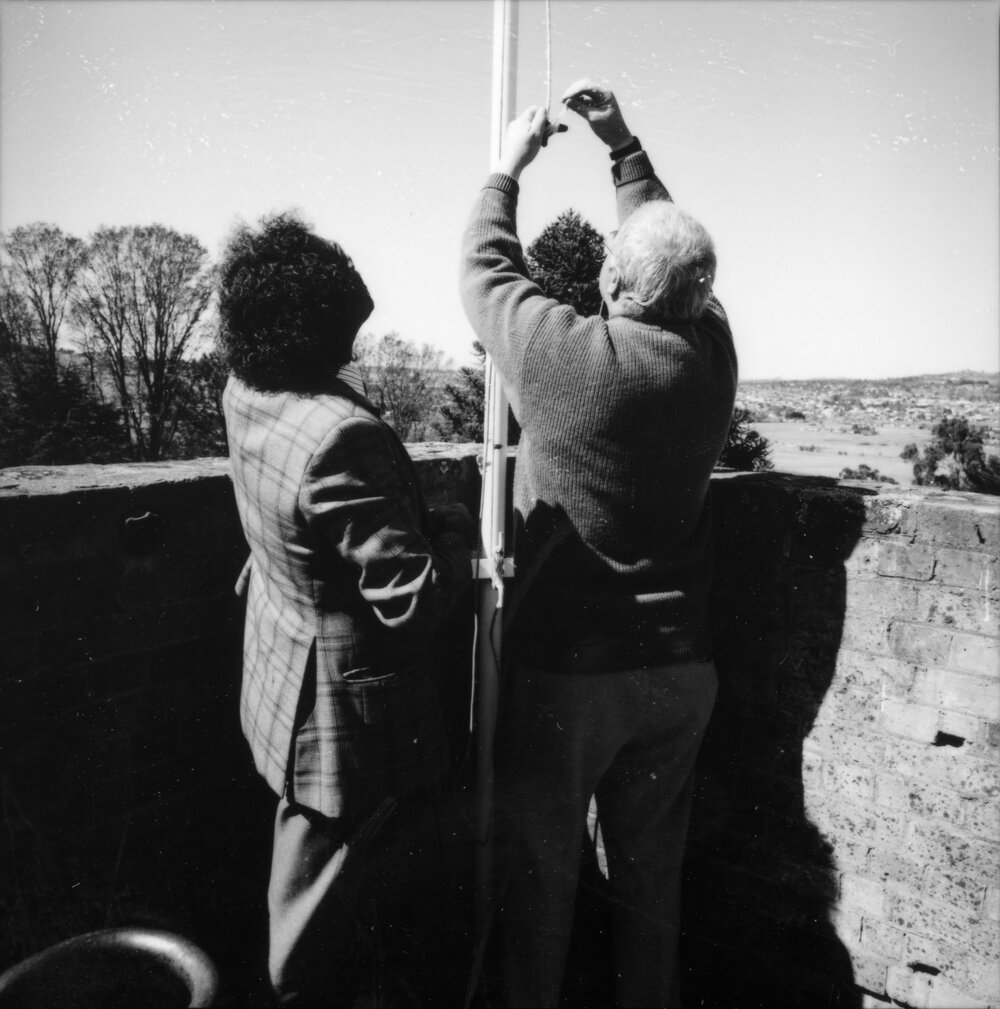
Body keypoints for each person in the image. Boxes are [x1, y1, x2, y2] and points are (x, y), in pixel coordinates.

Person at [460, 80, 737, 1008]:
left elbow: (486, 274)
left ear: (612, 285)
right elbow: (674, 254)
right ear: (702, 300)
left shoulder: (566, 358)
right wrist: (624, 151)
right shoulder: (712, 358)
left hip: (571, 673)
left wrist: (508, 165)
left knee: (543, 877)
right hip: (681, 665)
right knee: (652, 878)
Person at [218, 213, 474, 1006]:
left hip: (280, 667)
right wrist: (463, 540)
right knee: (310, 922)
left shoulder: (245, 389)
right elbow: (410, 602)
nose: (354, 351)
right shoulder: (339, 436)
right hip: (340, 720)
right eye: (344, 332)